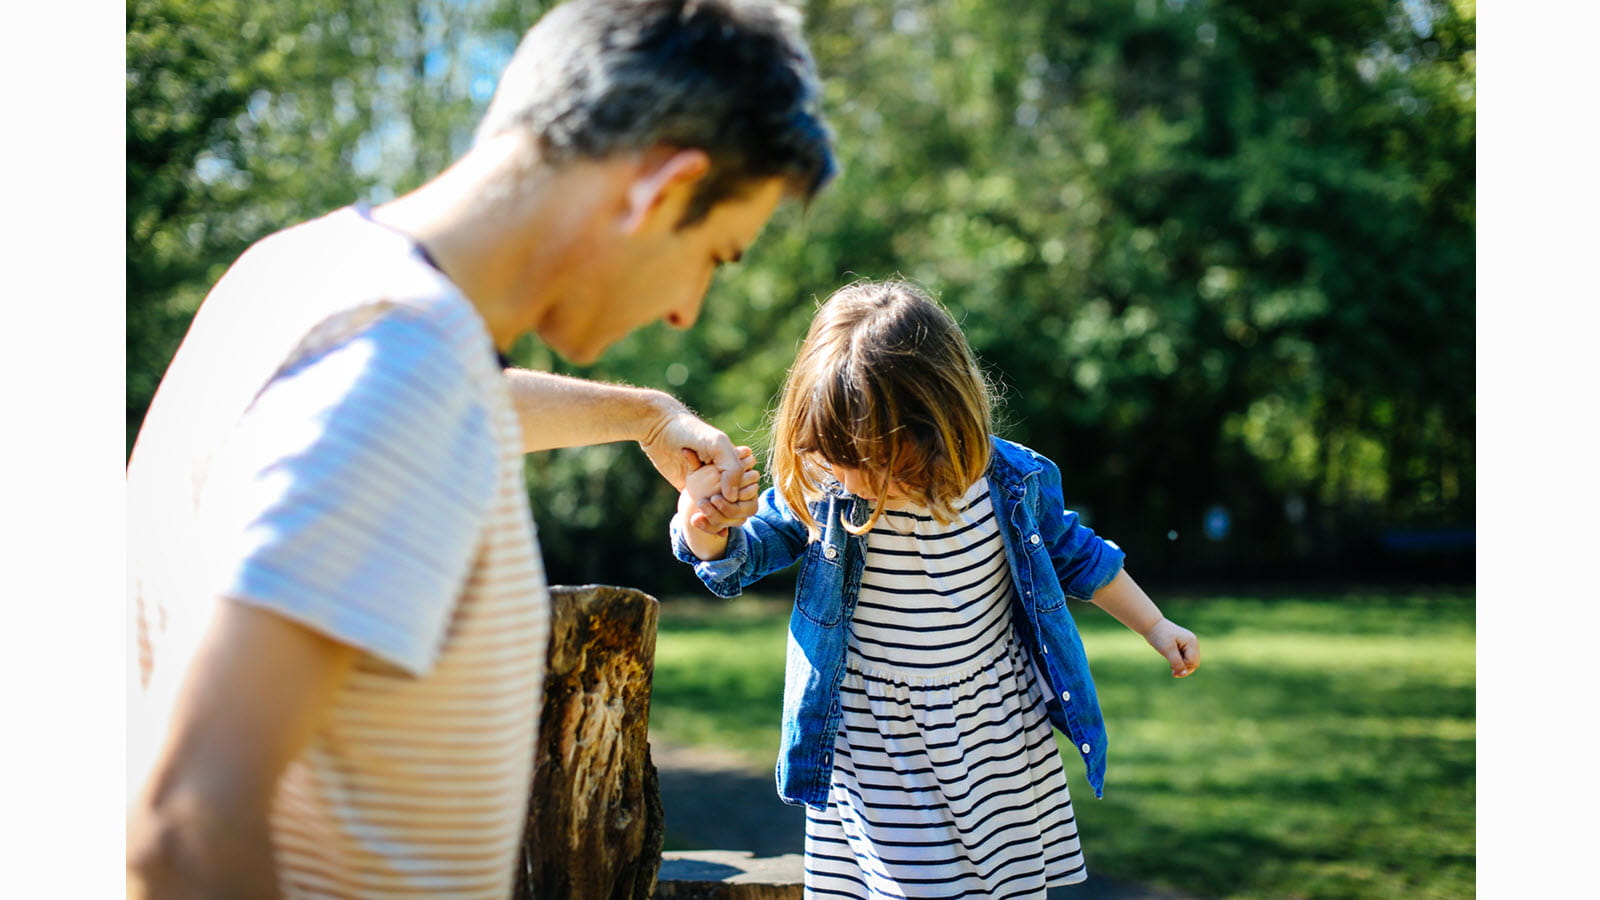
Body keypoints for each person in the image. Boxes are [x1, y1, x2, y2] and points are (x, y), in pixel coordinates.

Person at [124, 0, 835, 896]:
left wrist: (645, 414)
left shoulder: (302, 279)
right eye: (714, 255)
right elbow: (184, 827)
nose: (687, 309)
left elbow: (419, 398)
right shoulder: (402, 378)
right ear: (661, 189)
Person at [671, 279, 1201, 898]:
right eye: (832, 453)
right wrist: (704, 528)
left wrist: (1155, 626)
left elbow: (1082, 557)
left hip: (995, 736)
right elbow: (745, 554)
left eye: (867, 457)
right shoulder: (827, 488)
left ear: (936, 426)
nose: (847, 476)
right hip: (879, 744)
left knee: (1004, 887)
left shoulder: (1008, 482)